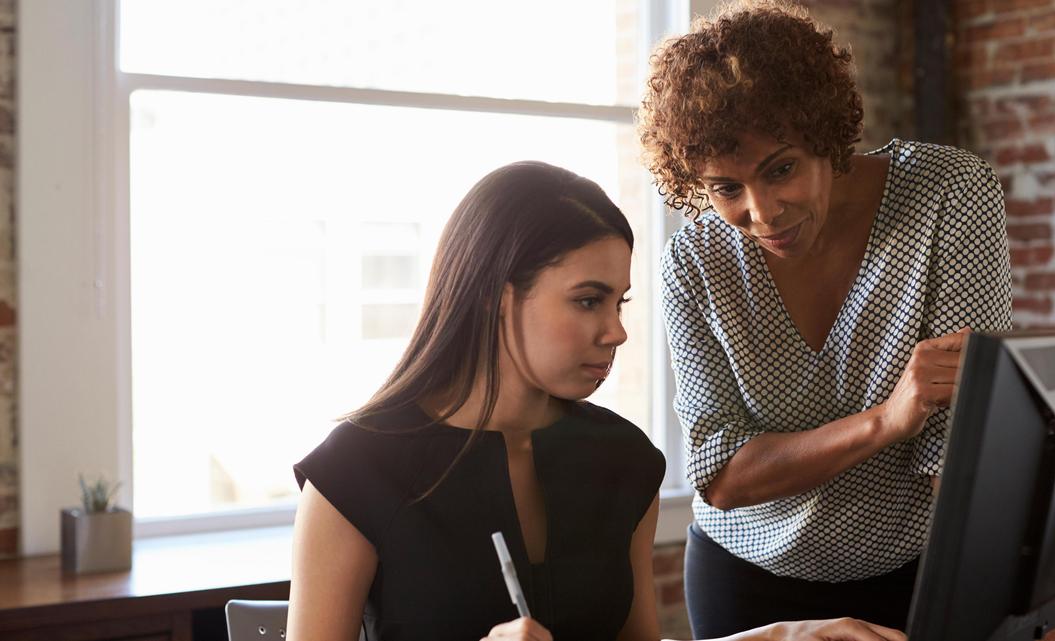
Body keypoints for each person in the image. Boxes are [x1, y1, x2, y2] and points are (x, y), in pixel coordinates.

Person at [286, 161, 906, 641]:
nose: (615, 332)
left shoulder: (624, 460)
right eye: (588, 300)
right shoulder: (354, 474)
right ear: (496, 299)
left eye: (620, 303)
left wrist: (778, 636)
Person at [636, 0, 1013, 637]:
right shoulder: (694, 262)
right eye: (726, 189)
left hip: (913, 574)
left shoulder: (948, 193)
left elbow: (958, 442)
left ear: (827, 135)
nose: (764, 213)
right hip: (744, 581)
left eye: (780, 169)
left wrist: (970, 604)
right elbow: (721, 474)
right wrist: (888, 419)